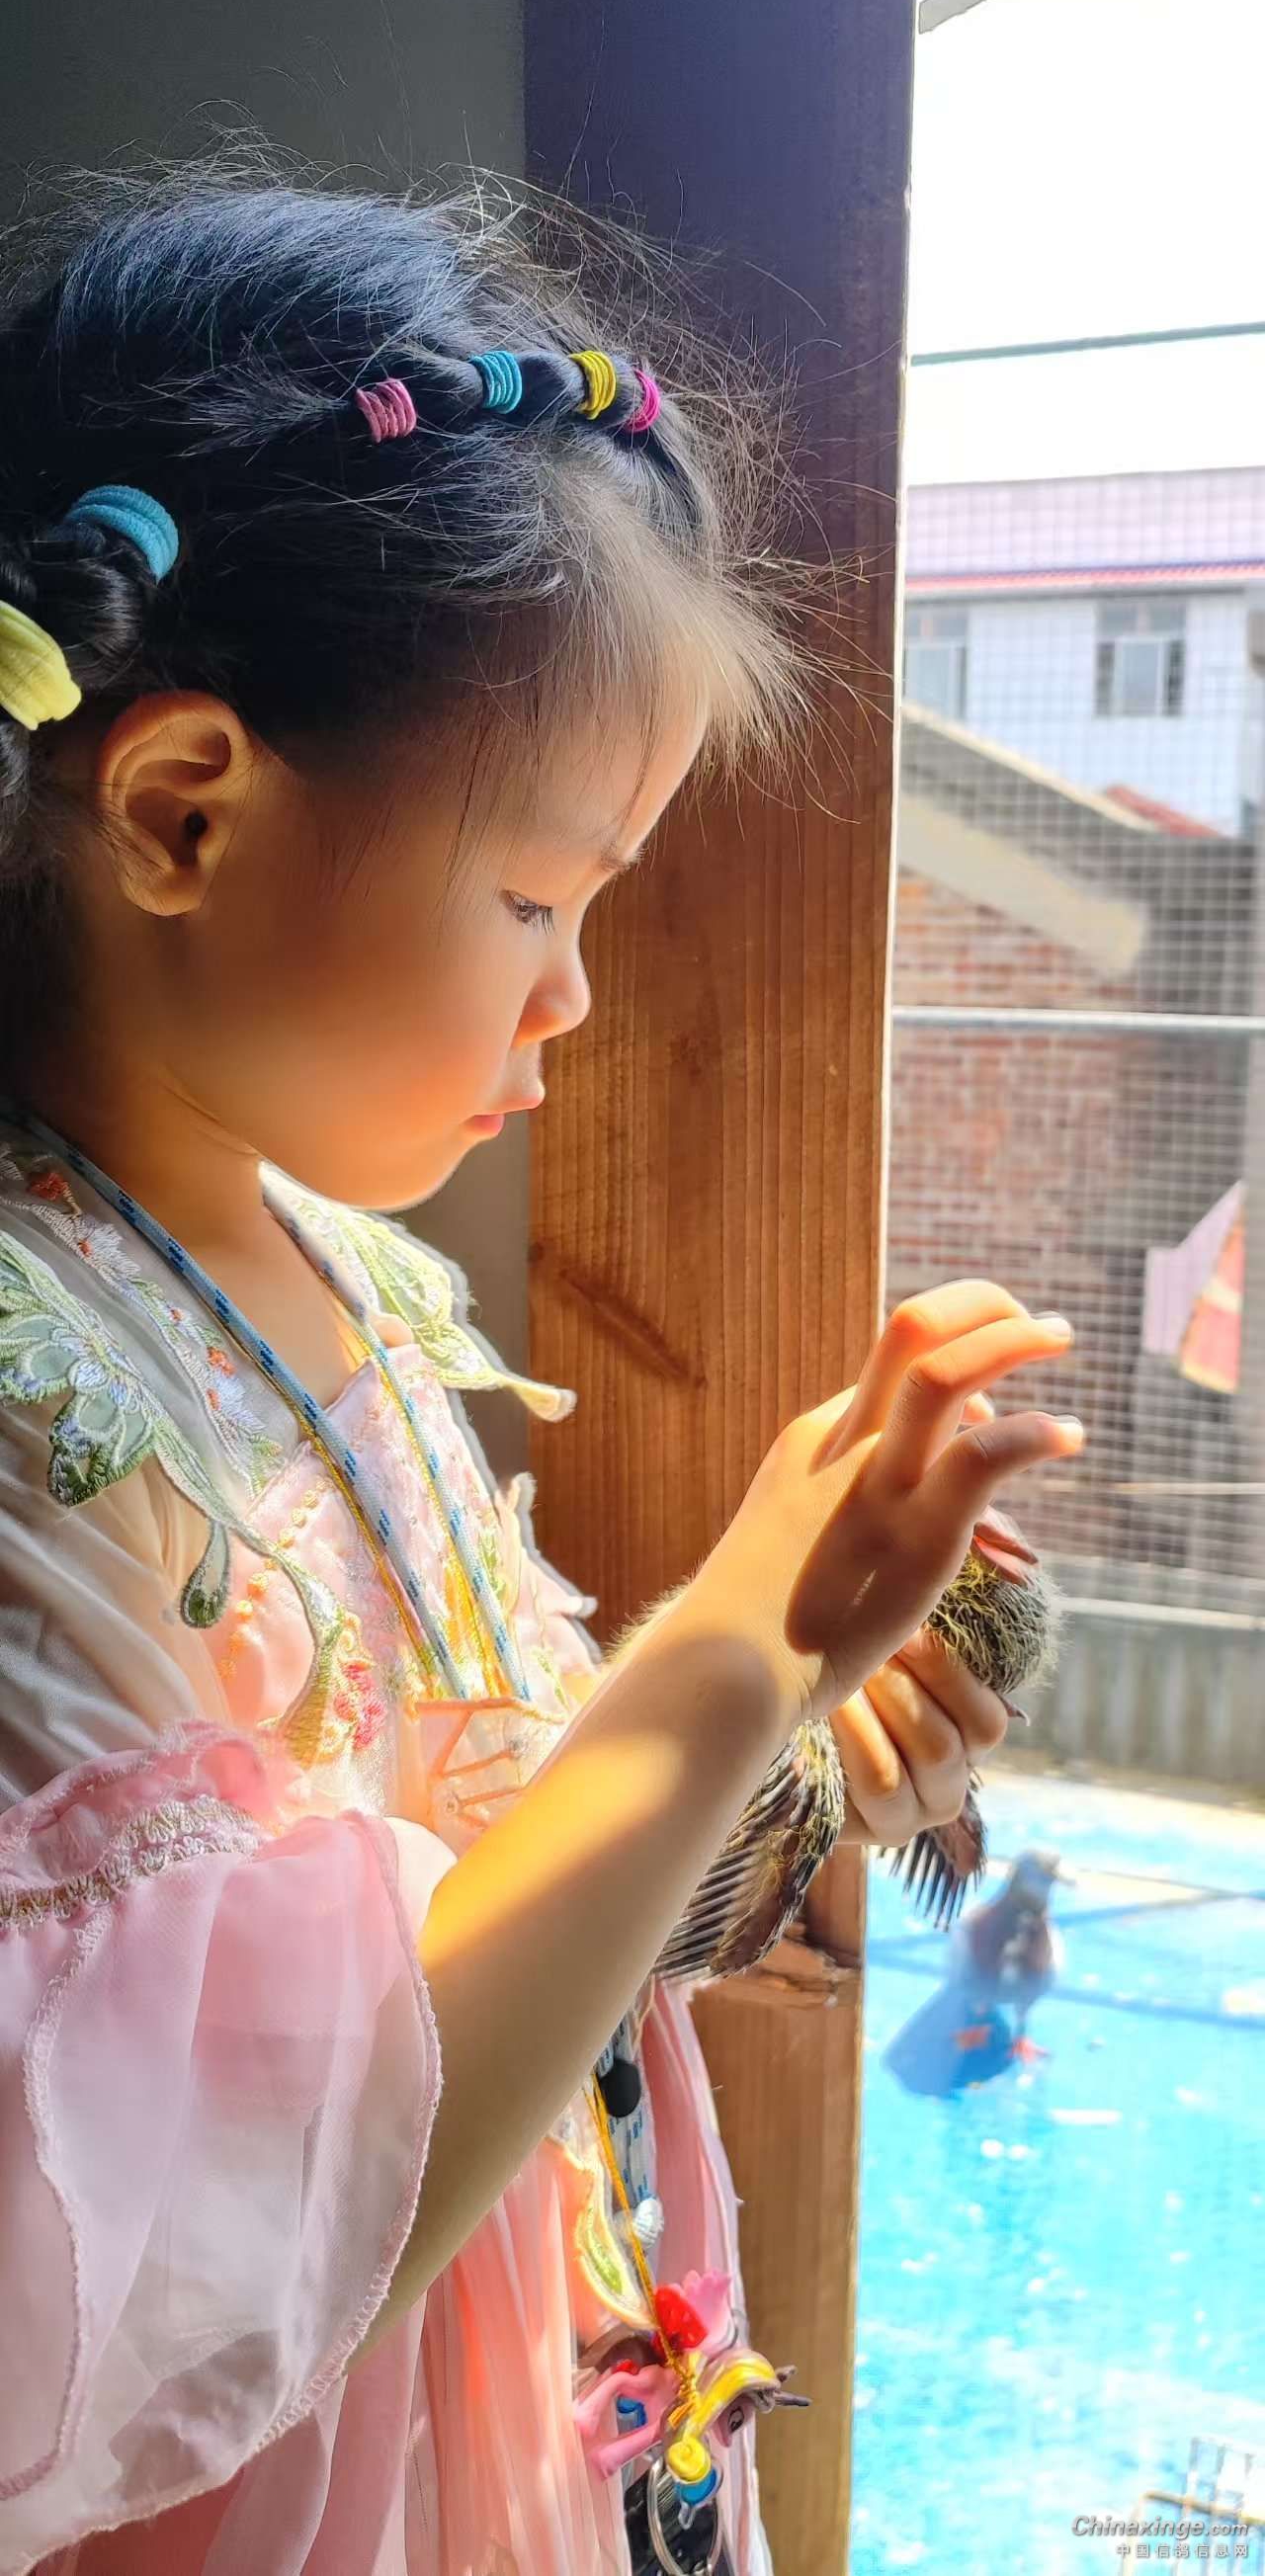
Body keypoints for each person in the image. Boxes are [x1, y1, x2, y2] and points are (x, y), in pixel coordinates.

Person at [0, 156, 1081, 2576]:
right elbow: (242, 2223)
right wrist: (731, 1651)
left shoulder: (345, 1277)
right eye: (530, 895)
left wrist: (788, 1760)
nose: (571, 995)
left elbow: (489, 1889)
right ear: (180, 808)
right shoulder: (31, 1410)